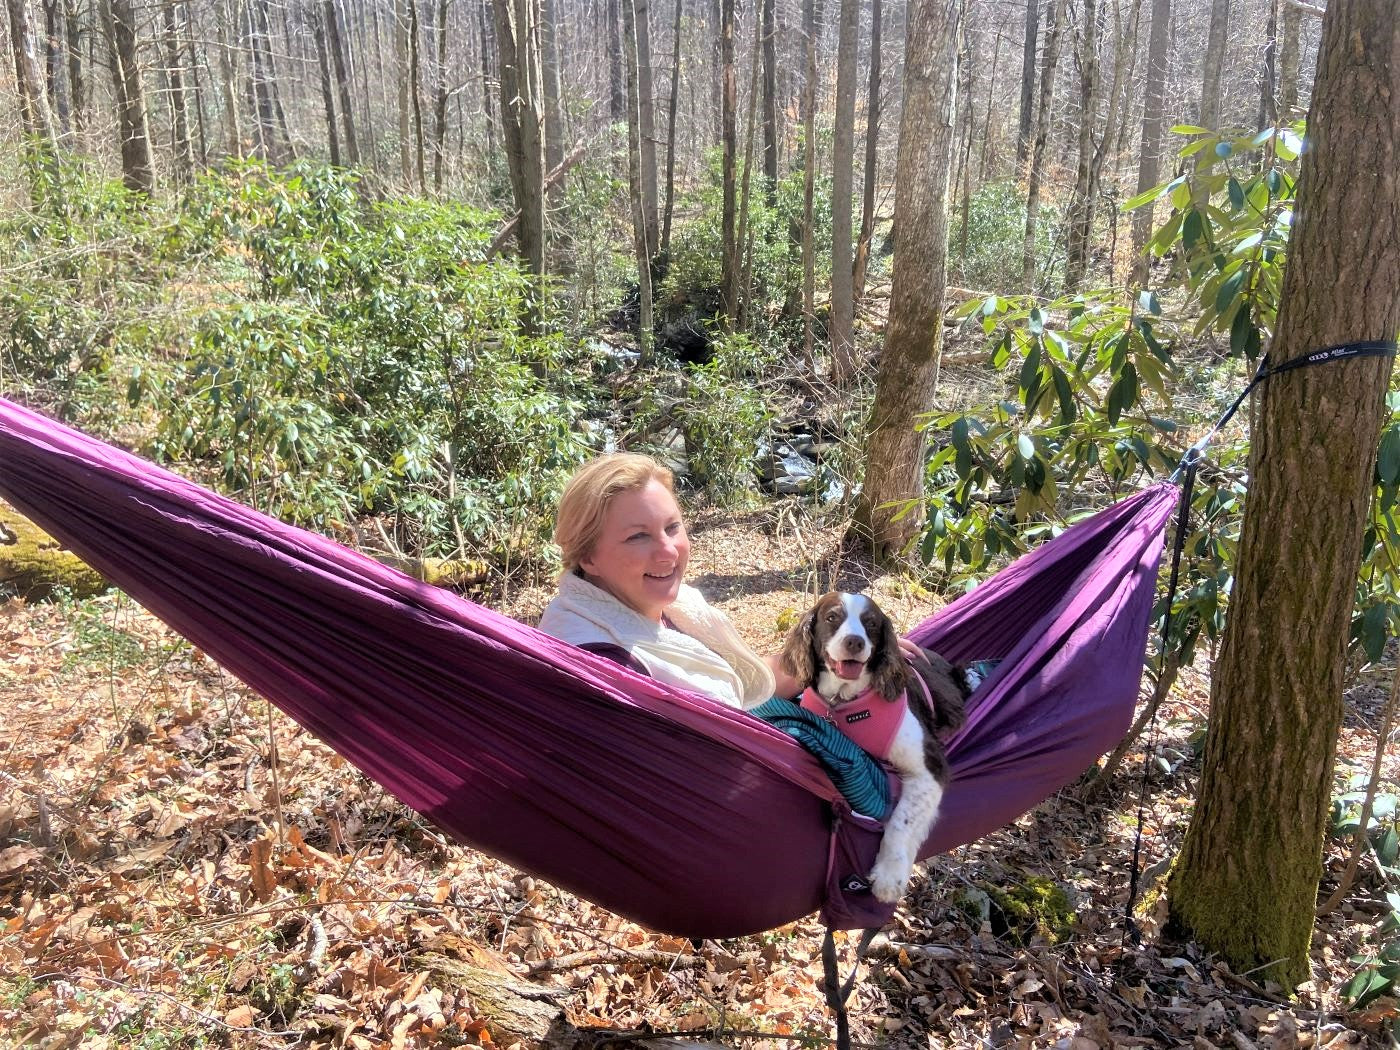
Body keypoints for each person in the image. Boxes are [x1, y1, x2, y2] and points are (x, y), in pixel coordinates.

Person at [538, 453, 798, 707]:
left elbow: (738, 685)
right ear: (588, 557)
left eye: (672, 527)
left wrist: (819, 659)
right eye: (638, 536)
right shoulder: (605, 666)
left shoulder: (667, 608)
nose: (669, 551)